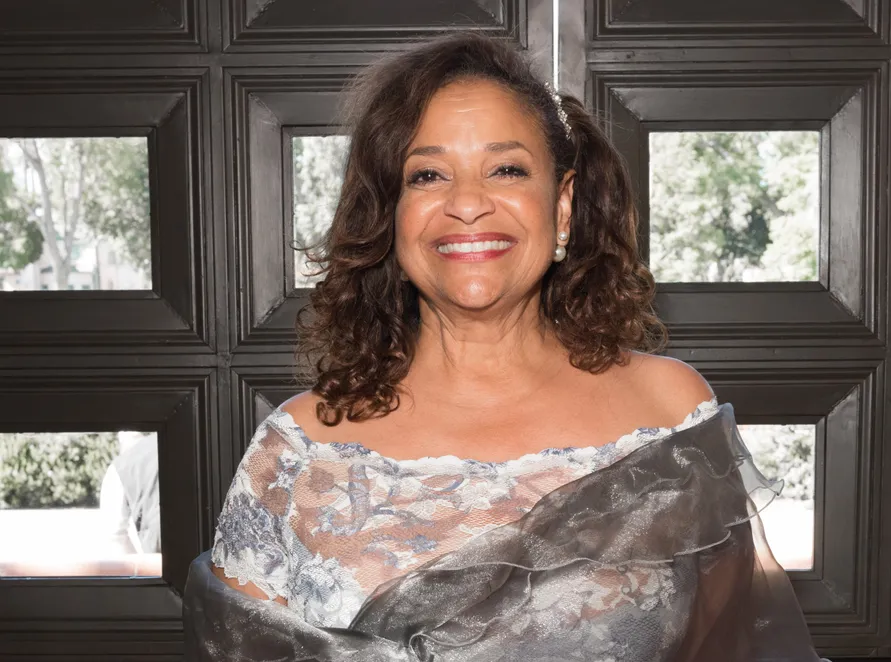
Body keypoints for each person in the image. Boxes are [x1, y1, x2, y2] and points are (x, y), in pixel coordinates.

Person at [183, 31, 826, 661]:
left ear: (564, 205)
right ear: (390, 215)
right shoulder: (299, 447)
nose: (467, 203)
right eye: (428, 174)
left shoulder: (669, 414)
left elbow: (728, 647)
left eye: (507, 169)